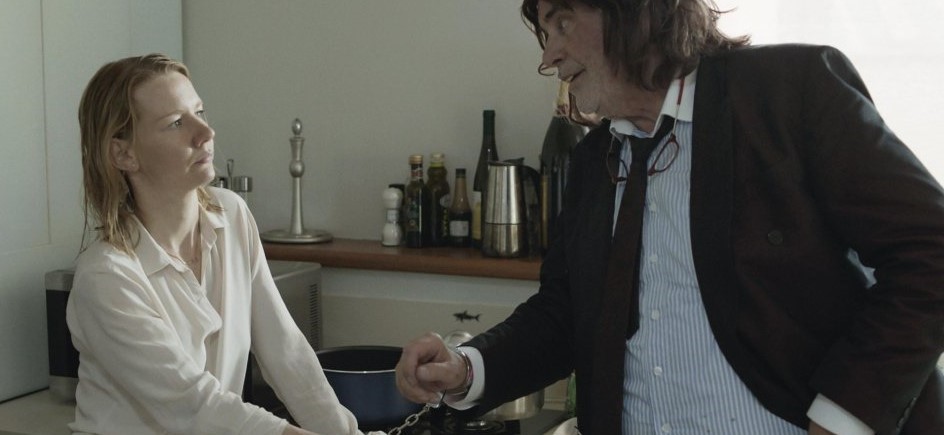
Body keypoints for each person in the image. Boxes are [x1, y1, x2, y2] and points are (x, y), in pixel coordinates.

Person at [395, 1, 944, 434]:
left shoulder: (791, 89)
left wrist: (844, 418)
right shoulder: (593, 160)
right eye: (545, 33)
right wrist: (466, 369)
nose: (548, 58)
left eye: (562, 23)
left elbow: (930, 250)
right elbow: (564, 313)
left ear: (636, 10)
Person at [68, 54, 374, 435]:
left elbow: (285, 352)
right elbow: (195, 406)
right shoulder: (106, 276)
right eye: (176, 123)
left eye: (199, 112)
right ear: (124, 154)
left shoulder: (231, 215)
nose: (205, 132)